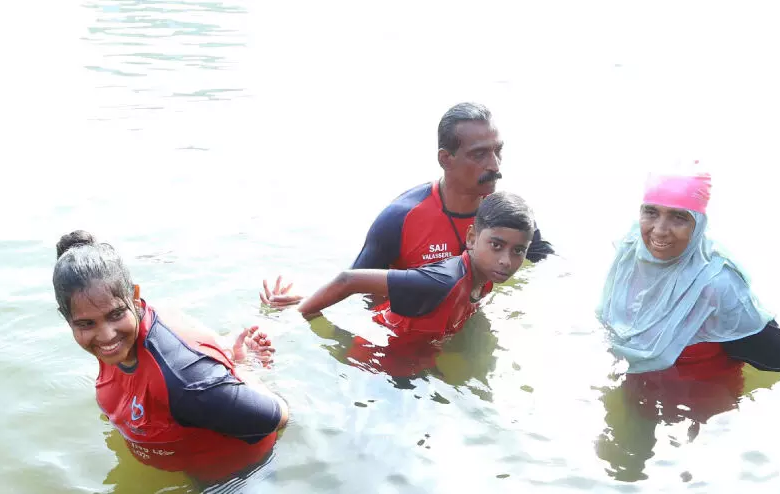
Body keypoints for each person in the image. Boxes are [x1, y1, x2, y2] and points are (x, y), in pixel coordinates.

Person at [52, 231, 289, 483]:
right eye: (86, 324)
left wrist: (243, 371)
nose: (107, 335)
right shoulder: (122, 338)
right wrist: (231, 353)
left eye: (115, 314)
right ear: (68, 320)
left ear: (134, 298)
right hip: (182, 460)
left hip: (236, 477)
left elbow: (278, 416)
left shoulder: (186, 382)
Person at [261, 192, 536, 374]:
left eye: (518, 251)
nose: (505, 261)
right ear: (472, 238)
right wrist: (304, 312)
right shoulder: (443, 281)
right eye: (497, 245)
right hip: (372, 357)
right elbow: (350, 279)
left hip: (414, 356)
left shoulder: (486, 276)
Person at [596, 170, 780, 376]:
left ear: (699, 223)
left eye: (678, 217)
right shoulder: (630, 252)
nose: (659, 230)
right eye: (651, 212)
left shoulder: (715, 284)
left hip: (699, 391)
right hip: (636, 380)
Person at [350, 102, 553, 271]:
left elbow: (546, 265)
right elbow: (352, 293)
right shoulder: (398, 220)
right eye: (479, 154)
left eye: (497, 151)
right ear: (445, 159)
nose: (494, 165)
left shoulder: (508, 215)